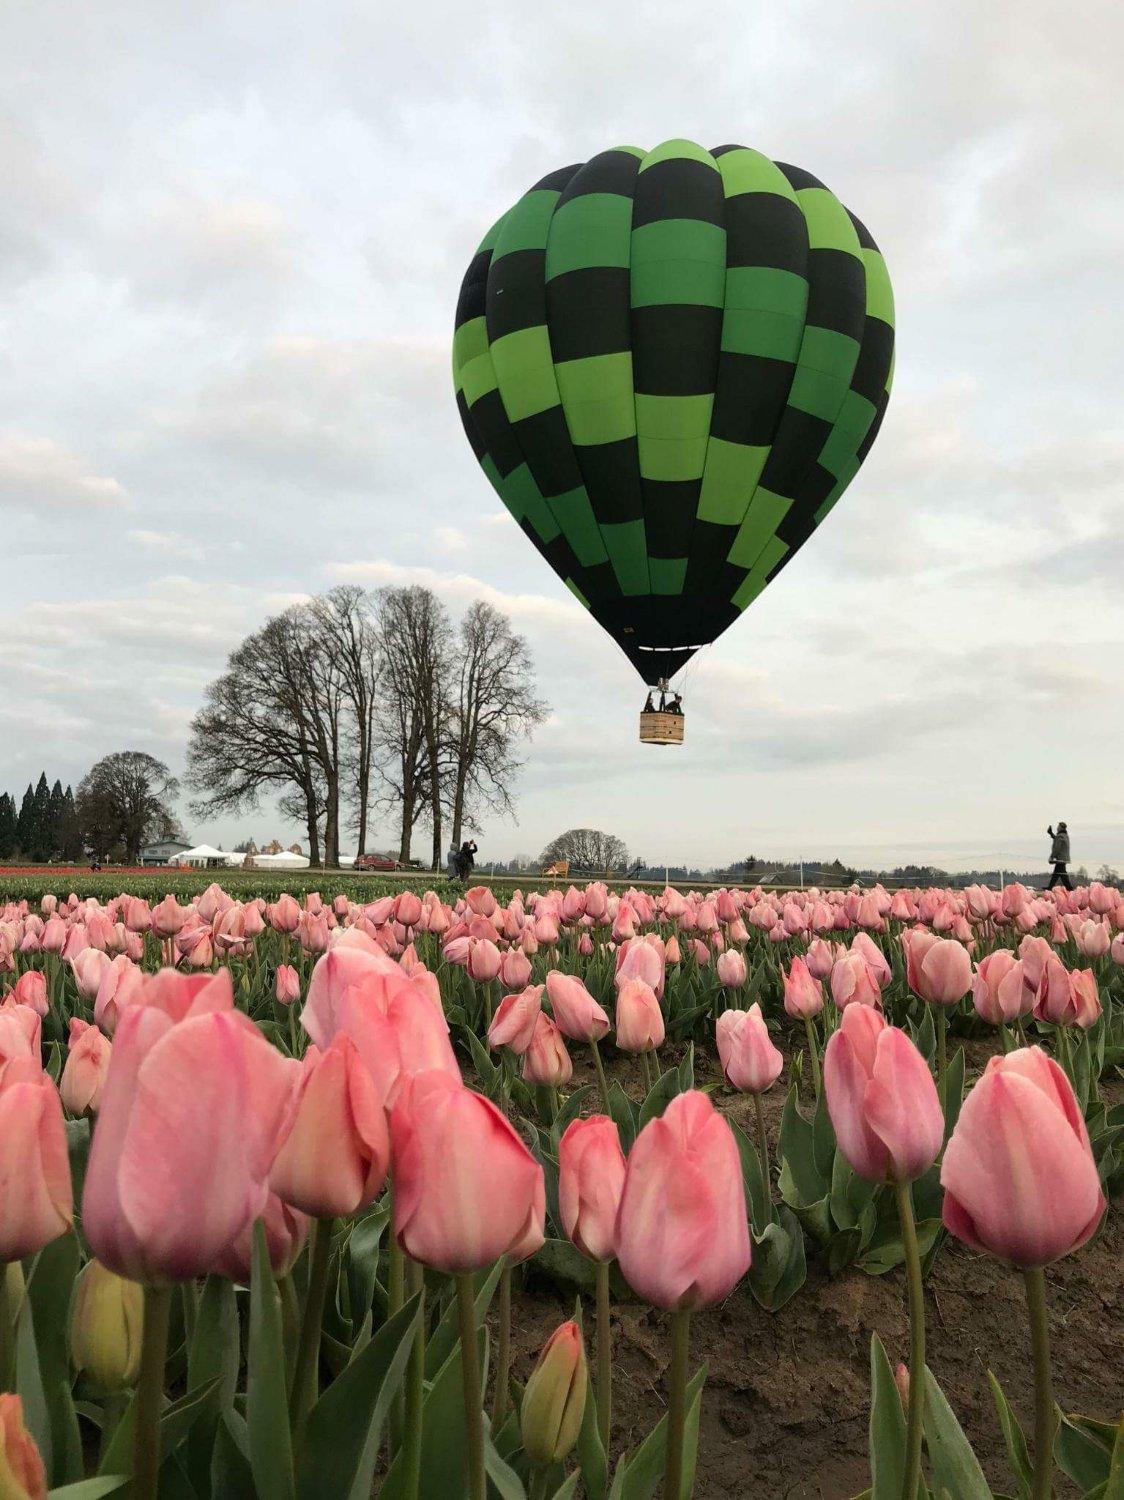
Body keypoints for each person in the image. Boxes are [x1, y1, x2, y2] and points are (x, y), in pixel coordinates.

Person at [1046, 821, 1073, 890]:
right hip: (1064, 858)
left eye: (1058, 827)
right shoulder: (1064, 835)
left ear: (1061, 828)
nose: (1057, 828)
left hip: (1061, 858)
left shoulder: (1060, 836)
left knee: (1060, 874)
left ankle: (1069, 888)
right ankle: (1050, 887)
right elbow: (1057, 839)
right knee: (1058, 873)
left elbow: (1056, 847)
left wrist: (1052, 856)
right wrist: (1051, 834)